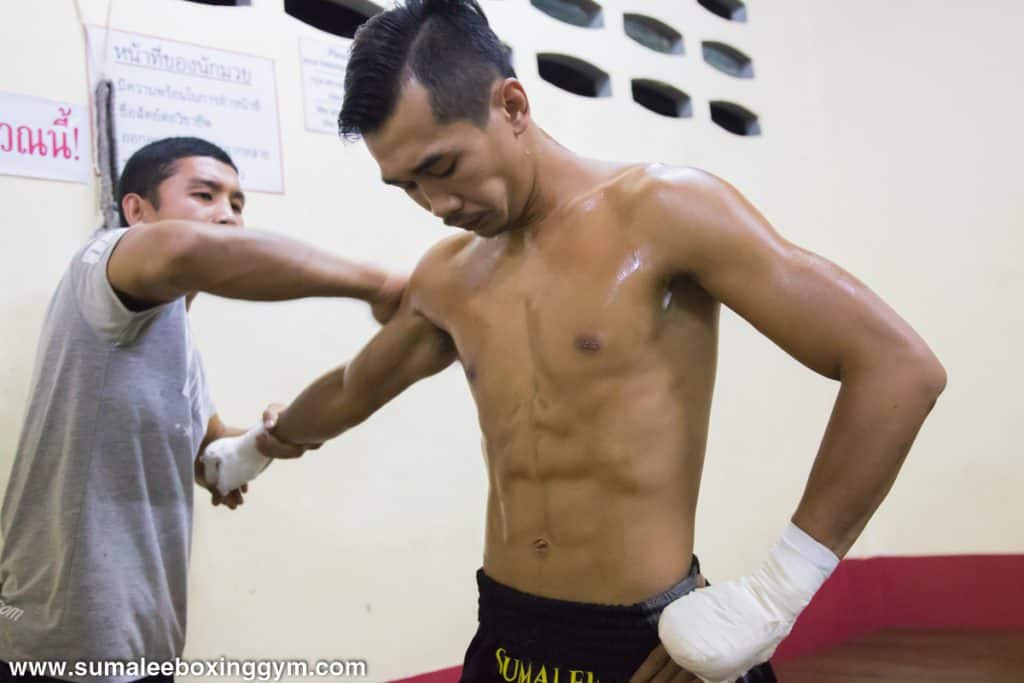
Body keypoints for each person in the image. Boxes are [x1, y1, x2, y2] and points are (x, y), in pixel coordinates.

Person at [207, 1, 946, 681]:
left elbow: (897, 368)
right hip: (506, 633)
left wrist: (770, 597)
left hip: (650, 646)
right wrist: (254, 449)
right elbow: (352, 386)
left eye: (442, 167)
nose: (435, 206)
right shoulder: (451, 276)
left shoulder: (663, 211)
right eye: (406, 185)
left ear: (513, 105)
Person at [0, 137, 404, 683]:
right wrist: (378, 284)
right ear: (137, 212)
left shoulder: (179, 340)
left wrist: (269, 440)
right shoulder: (100, 266)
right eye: (204, 195)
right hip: (61, 641)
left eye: (238, 203)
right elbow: (186, 252)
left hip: (146, 637)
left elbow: (209, 456)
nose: (228, 216)